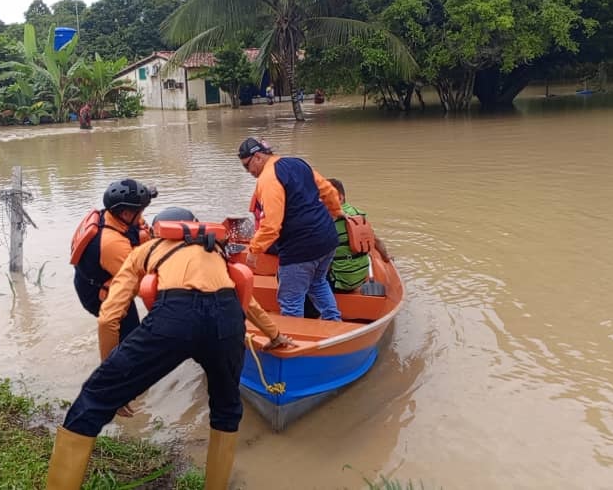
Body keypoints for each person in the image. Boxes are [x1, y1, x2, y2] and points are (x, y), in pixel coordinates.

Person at [47, 207, 292, 490]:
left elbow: (109, 317)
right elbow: (247, 302)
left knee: (94, 398)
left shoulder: (145, 250)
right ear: (195, 228)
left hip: (174, 318)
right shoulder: (217, 252)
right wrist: (274, 335)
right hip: (227, 320)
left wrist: (114, 374)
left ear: (157, 231)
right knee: (226, 409)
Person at [238, 137, 345, 320]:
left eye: (247, 166)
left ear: (257, 157)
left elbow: (271, 225)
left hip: (300, 248)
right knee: (318, 283)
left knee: (290, 300)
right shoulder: (298, 163)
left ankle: (295, 342)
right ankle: (334, 323)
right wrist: (336, 212)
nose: (248, 172)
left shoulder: (268, 179)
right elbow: (329, 191)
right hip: (327, 238)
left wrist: (254, 251)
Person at [71, 179, 156, 341]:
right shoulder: (112, 244)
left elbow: (141, 228)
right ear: (125, 214)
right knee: (130, 336)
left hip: (94, 276)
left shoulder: (112, 216)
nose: (142, 215)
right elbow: (141, 285)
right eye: (140, 211)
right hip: (99, 294)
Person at [326, 178, 391, 293]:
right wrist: (386, 258)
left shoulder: (328, 220)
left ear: (340, 198)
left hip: (339, 281)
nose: (321, 201)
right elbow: (377, 241)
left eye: (325, 197)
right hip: (360, 277)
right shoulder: (358, 215)